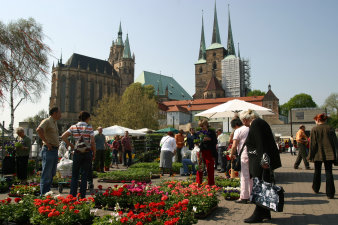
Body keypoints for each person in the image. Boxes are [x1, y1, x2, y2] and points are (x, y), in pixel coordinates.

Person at [241, 109, 282, 223]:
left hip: (260, 162)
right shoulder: (260, 122)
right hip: (261, 160)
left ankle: (258, 213)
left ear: (245, 119)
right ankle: (265, 212)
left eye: (243, 121)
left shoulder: (256, 124)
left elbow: (261, 144)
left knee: (260, 187)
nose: (243, 124)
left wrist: (264, 161)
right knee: (263, 186)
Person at [61, 111, 96, 198]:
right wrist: (94, 152)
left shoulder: (73, 127)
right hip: (87, 152)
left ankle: (72, 195)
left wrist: (71, 145)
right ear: (87, 118)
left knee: (75, 175)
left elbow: (63, 136)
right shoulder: (89, 127)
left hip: (77, 152)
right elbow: (92, 142)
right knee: (84, 175)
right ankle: (82, 196)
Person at [307, 113, 337, 199]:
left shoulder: (314, 129)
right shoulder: (330, 128)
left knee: (317, 171)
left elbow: (312, 144)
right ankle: (330, 193)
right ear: (325, 120)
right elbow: (335, 142)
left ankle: (316, 188)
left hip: (317, 154)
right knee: (329, 172)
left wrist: (310, 156)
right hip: (329, 153)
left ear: (317, 120)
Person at [36, 106, 61, 195]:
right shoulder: (47, 121)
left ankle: (47, 193)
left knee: (52, 172)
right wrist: (46, 142)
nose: (60, 114)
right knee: (46, 173)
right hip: (49, 149)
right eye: (59, 112)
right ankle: (43, 194)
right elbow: (39, 129)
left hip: (54, 150)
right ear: (54, 113)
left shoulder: (54, 122)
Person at [230, 117, 251, 204]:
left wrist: (231, 154)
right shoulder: (250, 128)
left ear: (235, 125)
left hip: (244, 155)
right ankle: (251, 195)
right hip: (252, 154)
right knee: (251, 176)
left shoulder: (238, 131)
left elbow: (234, 145)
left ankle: (244, 197)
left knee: (244, 176)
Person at [196, 119, 217, 186]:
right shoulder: (200, 132)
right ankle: (198, 182)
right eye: (201, 126)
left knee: (210, 168)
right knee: (200, 167)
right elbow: (196, 141)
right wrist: (198, 142)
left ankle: (211, 183)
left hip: (210, 151)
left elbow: (215, 141)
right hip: (202, 151)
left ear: (206, 124)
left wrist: (209, 139)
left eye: (203, 126)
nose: (202, 127)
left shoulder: (212, 132)